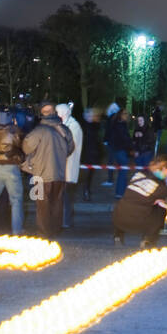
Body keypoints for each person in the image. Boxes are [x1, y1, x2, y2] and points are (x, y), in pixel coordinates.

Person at [22, 101, 75, 237]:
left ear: (41, 114)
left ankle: (44, 231)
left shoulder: (38, 131)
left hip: (39, 175)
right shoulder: (64, 129)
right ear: (54, 113)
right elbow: (70, 148)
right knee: (57, 202)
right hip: (59, 174)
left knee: (41, 204)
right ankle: (55, 229)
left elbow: (26, 147)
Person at [113, 156, 167, 248]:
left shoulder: (138, 174)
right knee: (161, 209)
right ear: (165, 169)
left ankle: (117, 236)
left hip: (118, 217)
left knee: (127, 203)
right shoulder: (161, 186)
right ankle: (149, 239)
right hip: (137, 221)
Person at [56, 103, 83, 228]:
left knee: (66, 196)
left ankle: (66, 221)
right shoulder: (67, 125)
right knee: (64, 196)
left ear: (63, 113)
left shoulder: (73, 126)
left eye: (57, 112)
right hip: (63, 167)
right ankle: (63, 220)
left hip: (68, 166)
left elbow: (70, 146)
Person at [107, 109, 133, 199]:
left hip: (119, 150)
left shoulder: (119, 124)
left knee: (123, 171)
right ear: (121, 115)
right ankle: (120, 192)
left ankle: (121, 192)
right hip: (120, 150)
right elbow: (124, 138)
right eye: (125, 114)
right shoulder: (119, 125)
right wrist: (130, 146)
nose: (127, 115)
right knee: (123, 171)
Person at [81, 109, 103, 200]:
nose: (91, 117)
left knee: (90, 174)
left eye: (92, 116)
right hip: (86, 154)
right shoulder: (83, 127)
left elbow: (97, 140)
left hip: (93, 153)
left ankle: (87, 189)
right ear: (86, 117)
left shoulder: (94, 126)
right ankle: (86, 191)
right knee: (86, 175)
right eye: (89, 116)